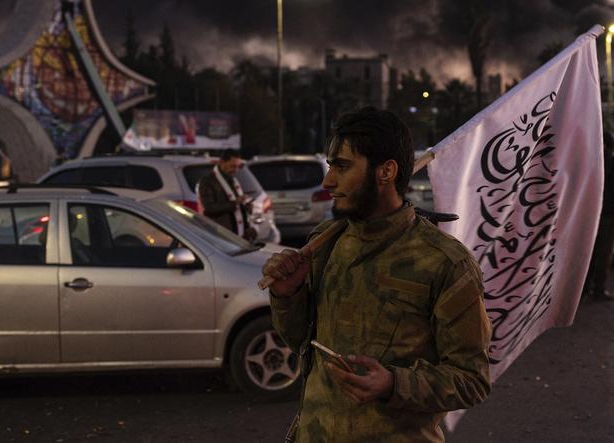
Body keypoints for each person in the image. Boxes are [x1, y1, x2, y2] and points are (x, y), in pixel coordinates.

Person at [261, 107, 491, 442]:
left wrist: (393, 384)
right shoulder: (325, 244)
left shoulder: (444, 263)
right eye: (330, 166)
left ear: (386, 171)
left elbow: (472, 380)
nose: (328, 182)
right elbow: (299, 341)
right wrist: (286, 296)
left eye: (342, 166)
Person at [583, 132, 614, 301]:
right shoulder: (612, 162)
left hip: (588, 215)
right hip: (607, 214)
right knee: (605, 253)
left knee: (588, 253)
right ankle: (599, 289)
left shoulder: (587, 161)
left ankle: (583, 290)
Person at [196, 149, 256, 241]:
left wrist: (246, 207)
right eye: (232, 166)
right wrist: (234, 203)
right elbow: (209, 208)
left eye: (237, 167)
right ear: (222, 162)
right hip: (221, 235)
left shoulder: (233, 180)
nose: (235, 170)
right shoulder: (207, 181)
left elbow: (237, 206)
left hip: (239, 234)